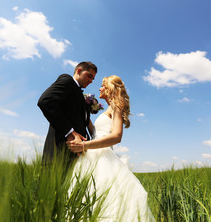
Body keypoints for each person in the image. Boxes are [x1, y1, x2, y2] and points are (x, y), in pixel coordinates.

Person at [67, 75, 155, 221]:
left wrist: (84, 145)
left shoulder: (117, 106)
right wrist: (85, 113)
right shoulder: (108, 108)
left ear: (109, 88)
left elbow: (116, 136)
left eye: (103, 86)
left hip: (103, 157)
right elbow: (97, 133)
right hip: (93, 156)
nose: (100, 88)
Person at [37, 61, 97, 166]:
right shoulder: (67, 80)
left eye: (93, 78)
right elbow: (45, 101)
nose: (91, 81)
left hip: (78, 156)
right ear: (79, 71)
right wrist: (69, 132)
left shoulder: (81, 97)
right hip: (60, 153)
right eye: (89, 76)